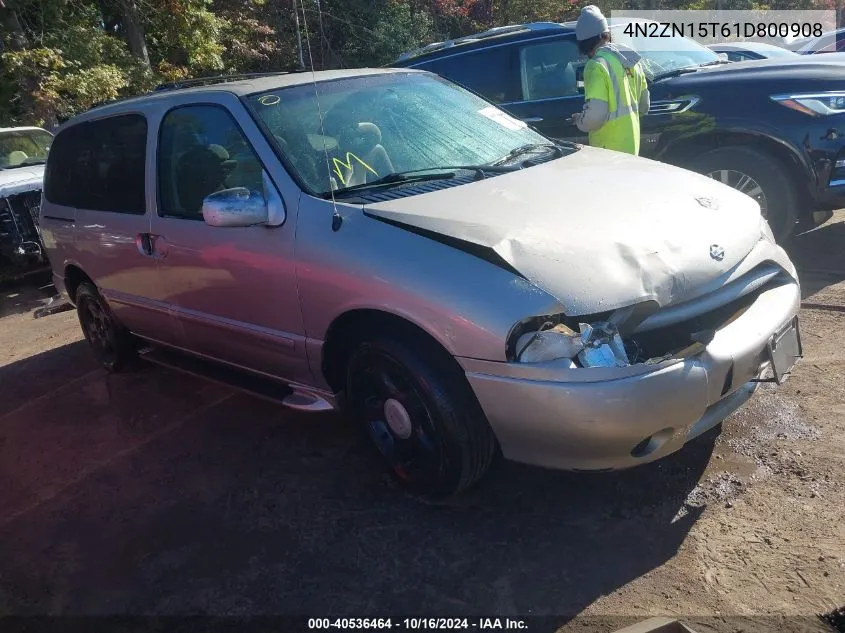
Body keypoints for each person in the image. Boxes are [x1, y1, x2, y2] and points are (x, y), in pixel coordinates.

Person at [571, 5, 650, 155]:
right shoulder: (631, 59)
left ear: (582, 42)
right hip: (632, 144)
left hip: (608, 148)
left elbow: (595, 117)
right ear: (605, 34)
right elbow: (644, 106)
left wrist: (580, 120)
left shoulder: (596, 65)